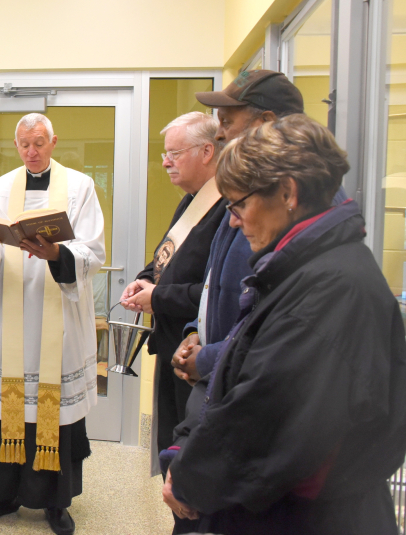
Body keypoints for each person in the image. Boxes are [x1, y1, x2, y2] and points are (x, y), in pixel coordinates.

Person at [164, 114, 406, 534]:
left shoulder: (331, 288)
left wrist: (189, 479)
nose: (234, 222)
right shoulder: (305, 266)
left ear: (288, 193)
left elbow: (263, 415)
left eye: (239, 205)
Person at [0, 113, 105, 535]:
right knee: (4, 407)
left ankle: (55, 503)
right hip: (9, 311)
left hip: (56, 316)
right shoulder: (1, 187)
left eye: (39, 142)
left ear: (54, 141)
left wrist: (56, 255)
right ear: (16, 144)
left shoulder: (80, 185)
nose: (32, 151)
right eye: (24, 144)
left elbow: (93, 250)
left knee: (55, 410)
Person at [171, 70, 312, 386]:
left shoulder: (285, 211)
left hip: (241, 381)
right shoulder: (243, 191)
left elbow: (271, 333)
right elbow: (215, 282)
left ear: (265, 124)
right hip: (217, 373)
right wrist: (194, 330)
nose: (219, 135)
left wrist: (207, 359)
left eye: (227, 123)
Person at [119, 112, 226, 482]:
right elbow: (168, 256)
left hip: (196, 354)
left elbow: (215, 291)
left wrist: (158, 297)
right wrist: (143, 280)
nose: (165, 162)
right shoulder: (191, 200)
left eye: (174, 153)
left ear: (208, 151)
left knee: (188, 460)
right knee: (172, 454)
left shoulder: (227, 209)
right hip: (170, 345)